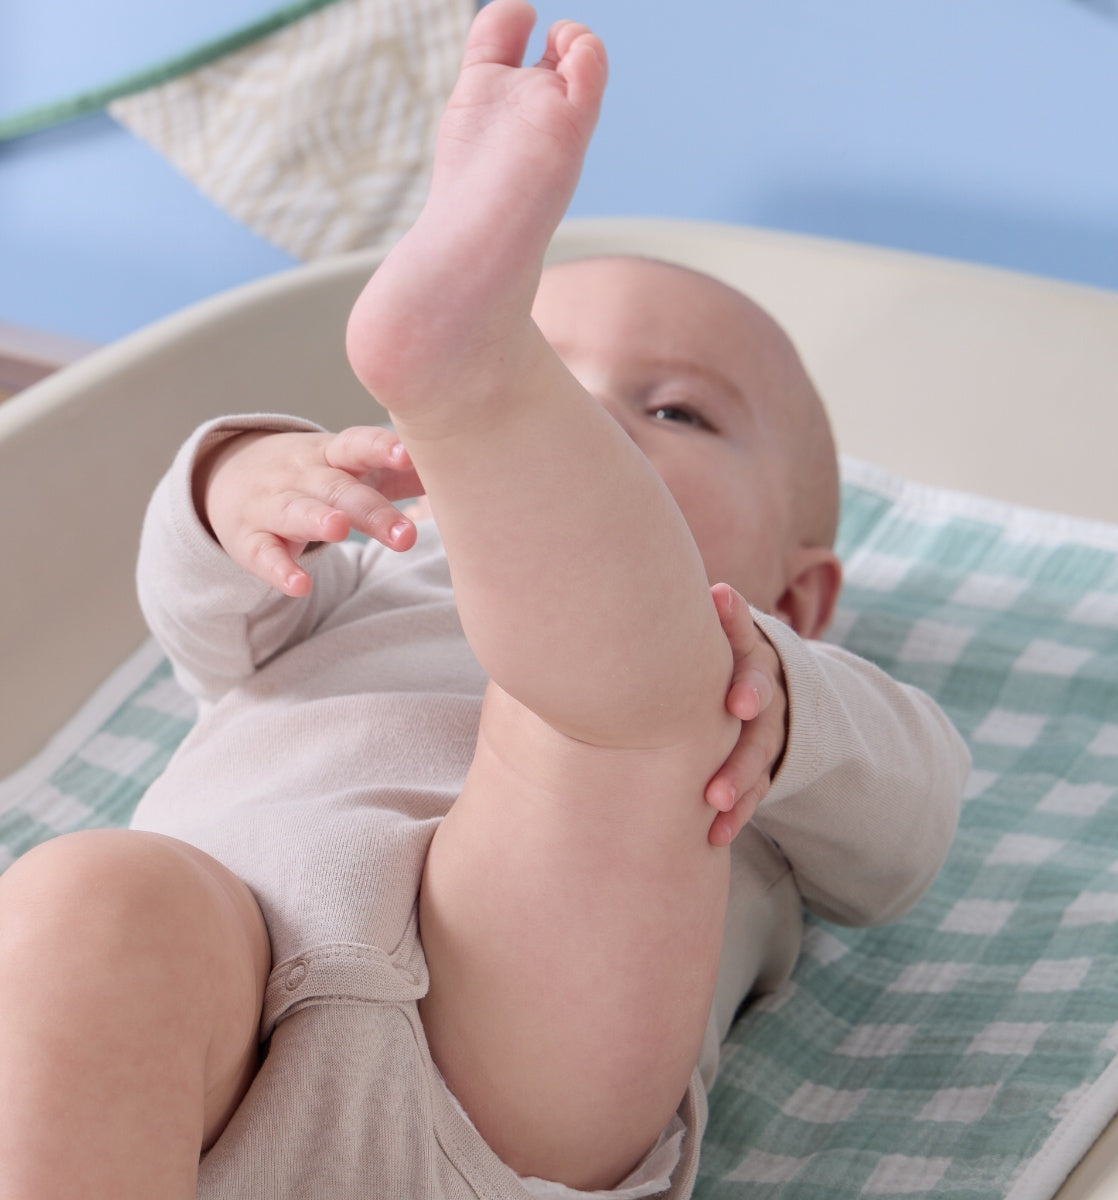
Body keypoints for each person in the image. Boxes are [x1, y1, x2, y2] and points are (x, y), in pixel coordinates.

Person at [0, 3, 969, 1197]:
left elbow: (906, 842)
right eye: (554, 380)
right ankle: (468, 367)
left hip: (503, 1082)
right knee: (87, 898)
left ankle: (472, 371)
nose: (600, 423)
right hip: (210, 1008)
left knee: (623, 694)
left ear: (805, 588)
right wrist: (230, 485)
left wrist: (786, 702)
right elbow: (199, 620)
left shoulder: (765, 681)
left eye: (675, 412)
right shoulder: (362, 572)